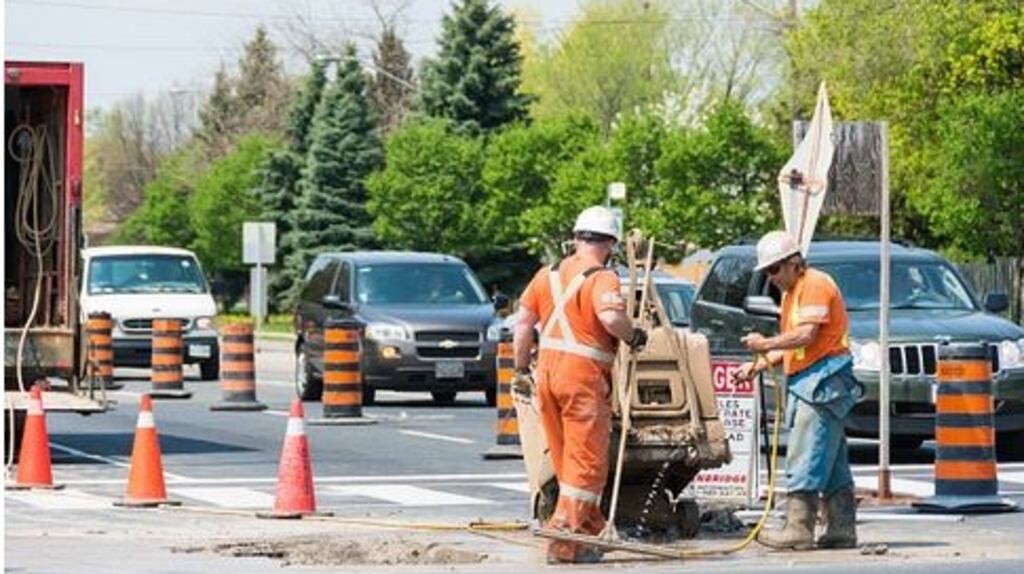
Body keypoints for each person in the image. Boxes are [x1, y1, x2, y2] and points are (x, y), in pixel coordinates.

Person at [512, 206, 647, 564]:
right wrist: (633, 335)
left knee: (565, 458)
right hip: (581, 377)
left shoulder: (546, 275)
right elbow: (610, 317)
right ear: (610, 244)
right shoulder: (602, 278)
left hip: (547, 376)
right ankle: (564, 538)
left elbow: (523, 325)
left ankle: (590, 532)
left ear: (576, 238)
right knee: (586, 462)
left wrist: (521, 368)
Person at [734, 230, 862, 551]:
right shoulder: (793, 294)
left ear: (795, 263)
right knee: (831, 462)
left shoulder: (814, 284)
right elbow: (794, 346)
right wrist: (757, 365)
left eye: (775, 270)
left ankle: (798, 529)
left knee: (805, 453)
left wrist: (764, 344)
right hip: (814, 380)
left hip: (823, 382)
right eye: (767, 272)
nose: (771, 278)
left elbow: (806, 335)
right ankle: (842, 529)